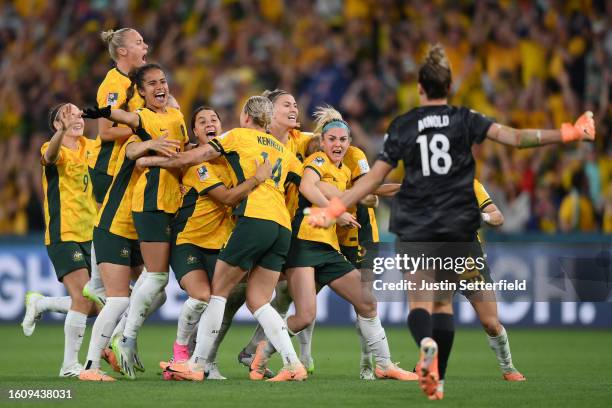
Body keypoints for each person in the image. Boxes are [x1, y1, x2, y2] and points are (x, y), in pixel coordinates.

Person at [305, 44, 595, 400]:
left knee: (421, 305)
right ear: (449, 88)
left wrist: (332, 209)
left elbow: (371, 181)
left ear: (420, 89)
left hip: (415, 226)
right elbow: (518, 139)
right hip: (457, 226)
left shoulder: (403, 125)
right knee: (445, 304)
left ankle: (425, 346)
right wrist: (568, 133)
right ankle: (437, 375)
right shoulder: (466, 118)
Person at [141, 96, 306, 381]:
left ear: (245, 117)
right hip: (282, 228)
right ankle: (293, 365)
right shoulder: (283, 149)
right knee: (258, 301)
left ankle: (197, 365)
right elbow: (307, 186)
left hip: (254, 218)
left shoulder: (237, 136)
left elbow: (189, 157)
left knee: (217, 293)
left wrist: (149, 160)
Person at [251, 105, 415, 381]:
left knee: (367, 302)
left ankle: (384, 364)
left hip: (329, 249)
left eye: (342, 140)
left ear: (349, 143)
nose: (337, 144)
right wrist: (335, 213)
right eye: (332, 139)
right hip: (303, 245)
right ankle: (263, 353)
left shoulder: (344, 172)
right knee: (304, 316)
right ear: (323, 142)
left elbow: (367, 194)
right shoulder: (316, 161)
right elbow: (307, 187)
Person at [78, 63, 183, 382]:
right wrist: (103, 113)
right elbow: (132, 140)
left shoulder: (168, 123)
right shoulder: (134, 139)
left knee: (159, 291)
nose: (160, 88)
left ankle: (122, 335)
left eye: (163, 82)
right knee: (120, 297)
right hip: (114, 227)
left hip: (138, 228)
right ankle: (90, 367)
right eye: (151, 84)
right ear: (139, 92)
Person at [161, 106, 271, 380]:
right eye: (202, 121)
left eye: (214, 119)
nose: (210, 123)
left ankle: (206, 362)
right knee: (201, 297)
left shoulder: (232, 160)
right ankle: (180, 353)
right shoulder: (199, 165)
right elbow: (227, 198)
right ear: (195, 132)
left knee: (221, 302)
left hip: (221, 245)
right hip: (190, 242)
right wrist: (257, 179)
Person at [28, 103, 97, 377]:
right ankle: (69, 366)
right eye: (68, 115)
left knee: (95, 306)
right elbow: (51, 156)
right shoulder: (50, 147)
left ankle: (42, 303)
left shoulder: (92, 147)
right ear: (57, 124)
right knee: (82, 298)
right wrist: (63, 133)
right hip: (63, 233)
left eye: (79, 113)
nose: (76, 118)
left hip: (92, 235)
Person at [84, 28, 148, 307]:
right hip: (108, 168)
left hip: (125, 169)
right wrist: (147, 131)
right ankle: (98, 284)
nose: (145, 45)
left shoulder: (133, 82)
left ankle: (102, 288)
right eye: (139, 42)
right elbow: (107, 130)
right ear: (122, 52)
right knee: (111, 227)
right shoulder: (114, 83)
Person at [462, 179, 525, 381]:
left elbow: (498, 217)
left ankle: (508, 368)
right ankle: (425, 366)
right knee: (430, 315)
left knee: (490, 323)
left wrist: (479, 216)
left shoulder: (470, 184)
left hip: (468, 257)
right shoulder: (423, 182)